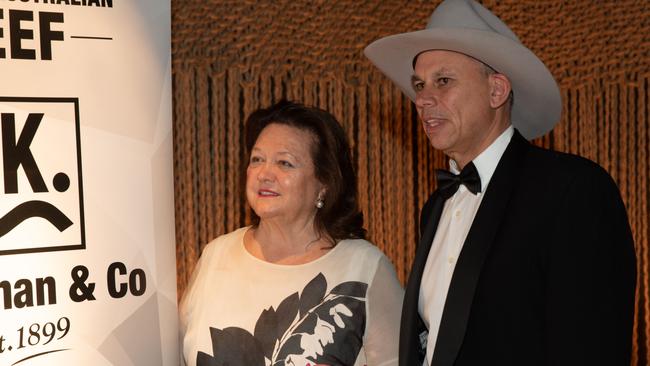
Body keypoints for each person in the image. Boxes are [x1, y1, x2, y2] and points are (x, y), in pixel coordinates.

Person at [364, 0, 636, 365]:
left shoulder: (572, 190)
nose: (423, 99)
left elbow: (593, 346)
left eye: (442, 81)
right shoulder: (436, 206)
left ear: (497, 91)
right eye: (419, 85)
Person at [179, 100, 403, 366]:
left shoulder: (364, 267)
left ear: (324, 184)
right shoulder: (216, 254)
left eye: (285, 163)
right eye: (257, 159)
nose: (264, 173)